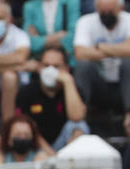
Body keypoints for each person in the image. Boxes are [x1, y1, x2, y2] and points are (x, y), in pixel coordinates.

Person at [15, 45, 89, 148]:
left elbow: (76, 117)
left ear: (66, 69)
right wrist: (50, 155)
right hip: (36, 148)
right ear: (39, 67)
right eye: (46, 65)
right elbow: (24, 127)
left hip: (64, 147)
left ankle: (73, 163)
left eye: (56, 66)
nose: (50, 70)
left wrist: (68, 81)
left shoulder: (74, 89)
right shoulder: (26, 92)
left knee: (78, 126)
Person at [74, 0, 130, 129]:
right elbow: (80, 53)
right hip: (99, 84)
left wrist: (100, 47)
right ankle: (80, 119)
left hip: (125, 85)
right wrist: (119, 50)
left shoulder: (128, 20)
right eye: (103, 12)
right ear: (96, 9)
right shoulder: (86, 21)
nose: (106, 15)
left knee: (129, 62)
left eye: (110, 11)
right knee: (83, 65)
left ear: (120, 8)